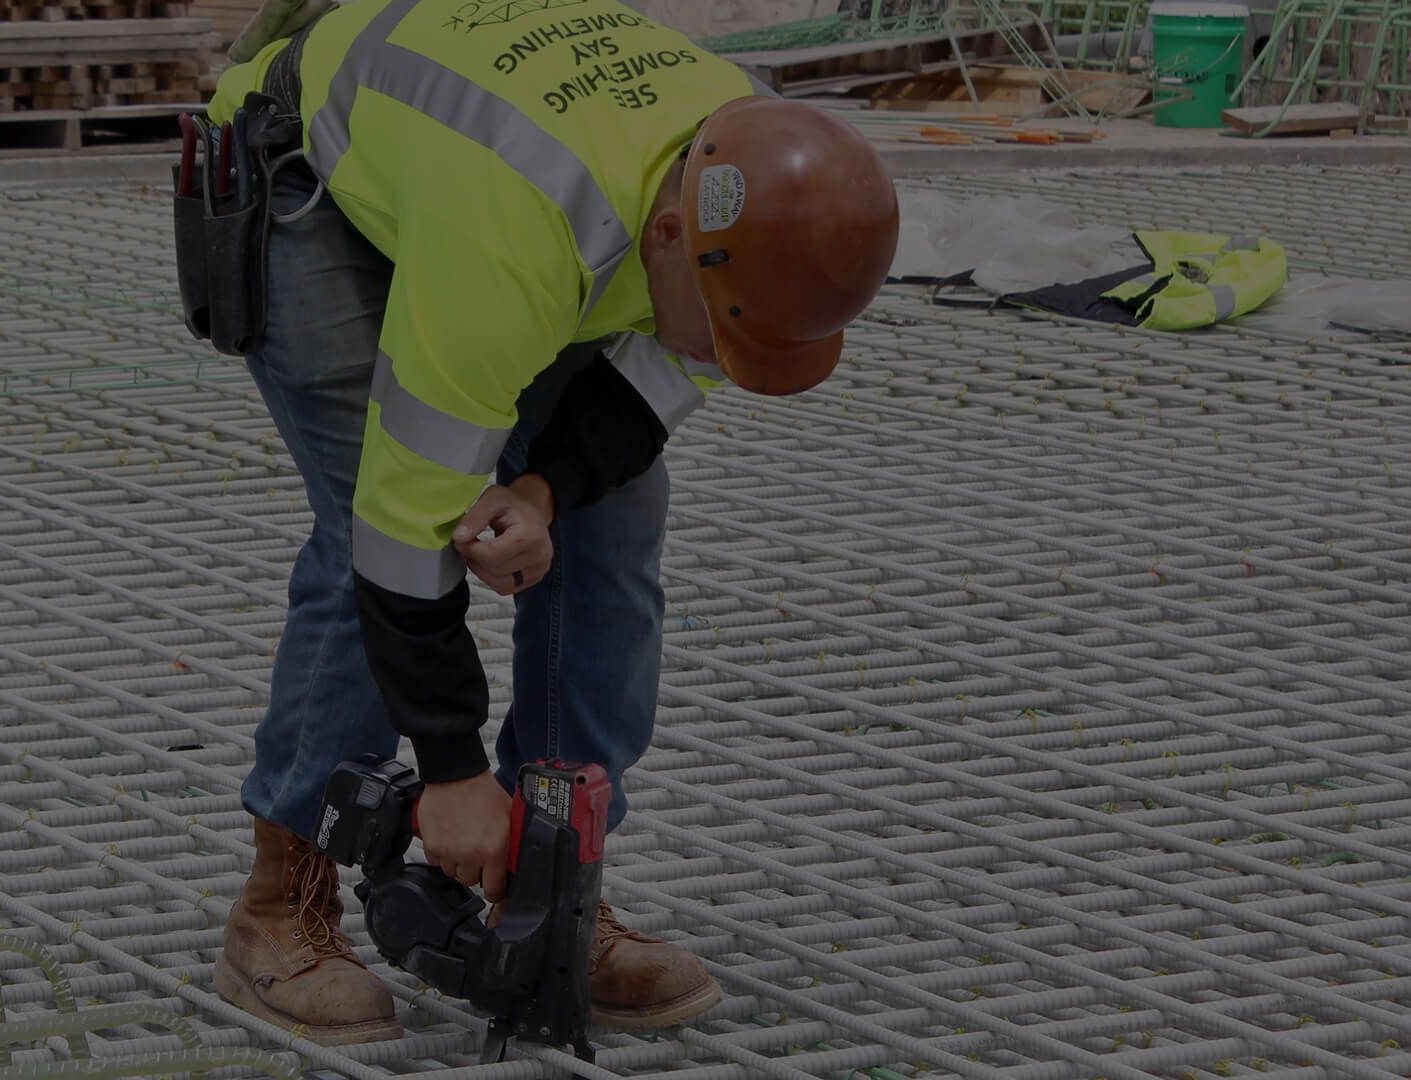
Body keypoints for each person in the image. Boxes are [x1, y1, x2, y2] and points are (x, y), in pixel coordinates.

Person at [199, 0, 901, 1046]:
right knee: (365, 532)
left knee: (611, 534)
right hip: (310, 171)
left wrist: (544, 491)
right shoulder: (520, 239)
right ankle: (277, 905)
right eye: (722, 334)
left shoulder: (759, 188)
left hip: (520, 191)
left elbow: (677, 361)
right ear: (669, 238)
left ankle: (554, 888)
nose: (718, 360)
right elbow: (404, 530)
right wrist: (450, 774)